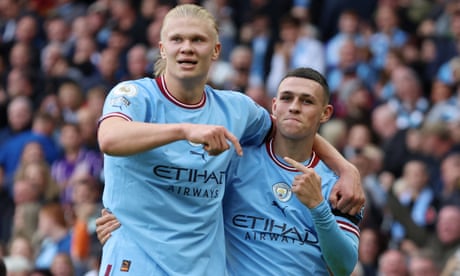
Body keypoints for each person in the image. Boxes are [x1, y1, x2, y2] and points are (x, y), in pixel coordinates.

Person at [96, 4, 364, 276]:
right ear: (163, 48)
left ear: (216, 51)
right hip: (136, 264)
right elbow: (109, 138)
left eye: (198, 40)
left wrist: (344, 168)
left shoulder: (236, 110)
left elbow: (289, 126)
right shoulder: (135, 95)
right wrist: (184, 130)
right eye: (177, 39)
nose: (187, 47)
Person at [222, 67, 361, 275]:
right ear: (275, 106)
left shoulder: (340, 185)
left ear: (326, 113)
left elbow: (343, 267)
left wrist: (318, 207)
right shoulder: (236, 160)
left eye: (307, 101)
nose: (294, 107)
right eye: (287, 98)